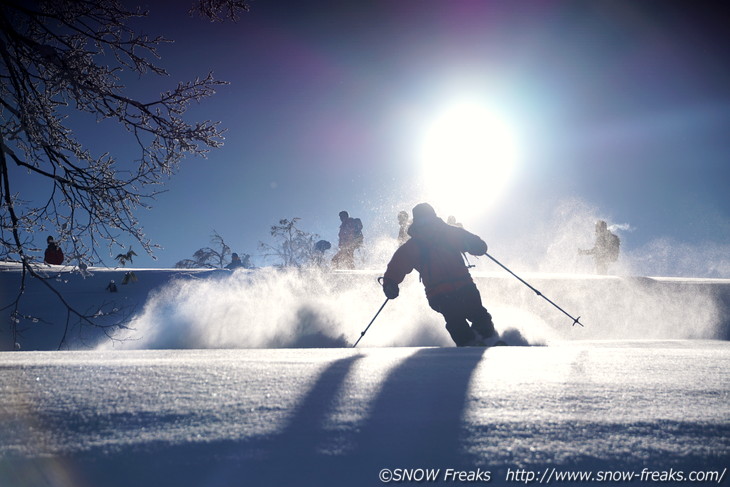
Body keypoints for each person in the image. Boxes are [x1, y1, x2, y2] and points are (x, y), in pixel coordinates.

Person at [381, 203, 500, 347]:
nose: (427, 224)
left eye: (429, 219)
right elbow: (398, 265)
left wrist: (476, 245)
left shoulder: (450, 233)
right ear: (417, 222)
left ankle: (489, 342)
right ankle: (470, 345)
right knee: (455, 319)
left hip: (465, 286)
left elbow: (473, 242)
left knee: (479, 315)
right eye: (422, 221)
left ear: (435, 218)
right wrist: (390, 283)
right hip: (439, 293)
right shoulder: (415, 245)